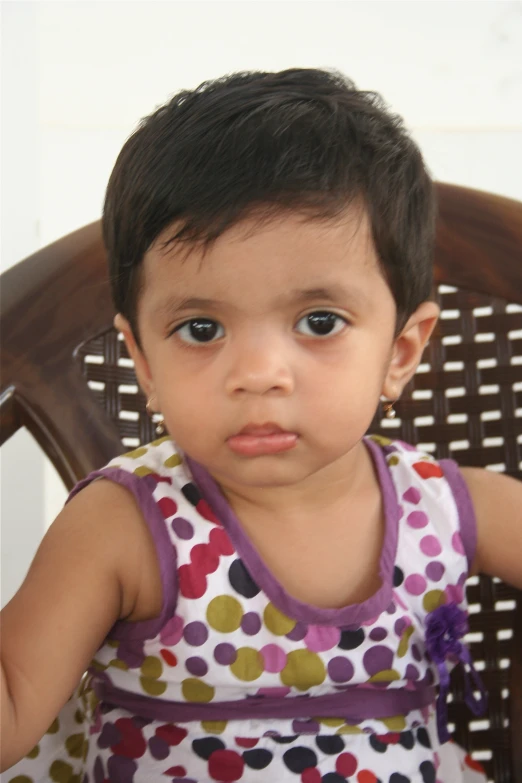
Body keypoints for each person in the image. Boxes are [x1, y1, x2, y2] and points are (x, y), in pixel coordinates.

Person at [1, 68, 521, 783]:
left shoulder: (451, 507)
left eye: (318, 322)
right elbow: (13, 702)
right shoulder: (124, 526)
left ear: (400, 352)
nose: (258, 372)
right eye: (201, 327)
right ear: (144, 362)